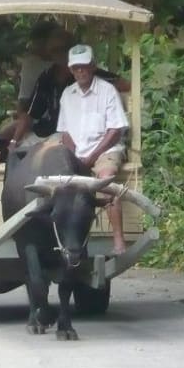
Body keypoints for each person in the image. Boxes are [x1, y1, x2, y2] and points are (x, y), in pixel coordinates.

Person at [57, 44, 130, 253]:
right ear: (71, 70)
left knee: (105, 179)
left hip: (106, 151)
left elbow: (115, 130)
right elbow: (65, 133)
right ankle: (64, 239)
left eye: (85, 66)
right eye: (76, 67)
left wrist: (92, 156)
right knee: (58, 184)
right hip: (76, 154)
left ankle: (118, 240)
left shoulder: (107, 91)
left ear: (93, 66)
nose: (81, 71)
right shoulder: (67, 94)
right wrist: (75, 158)